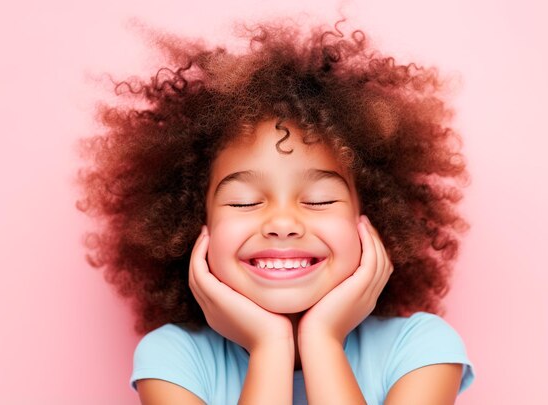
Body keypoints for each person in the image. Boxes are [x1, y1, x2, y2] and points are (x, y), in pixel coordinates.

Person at [78, 19, 474, 404]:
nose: (282, 224)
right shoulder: (174, 358)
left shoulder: (421, 348)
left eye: (318, 199)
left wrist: (322, 339)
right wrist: (271, 346)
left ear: (372, 217)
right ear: (194, 226)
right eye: (245, 202)